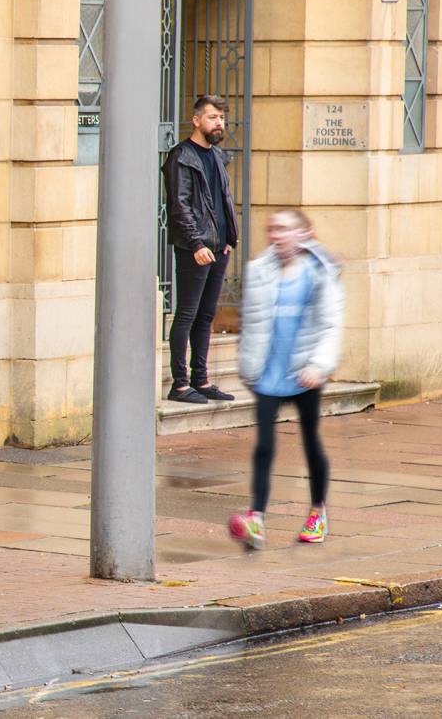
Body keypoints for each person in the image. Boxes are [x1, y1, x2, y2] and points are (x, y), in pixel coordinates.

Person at [228, 209, 343, 549]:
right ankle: (256, 520)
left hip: (305, 371)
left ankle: (317, 511)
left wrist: (319, 365)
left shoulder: (319, 273)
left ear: (303, 233)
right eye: (272, 229)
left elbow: (330, 324)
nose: (277, 235)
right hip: (269, 373)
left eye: (284, 229)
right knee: (264, 446)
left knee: (310, 442)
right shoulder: (258, 271)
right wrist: (249, 367)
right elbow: (252, 323)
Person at [163, 94, 241, 405]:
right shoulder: (181, 157)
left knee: (206, 315)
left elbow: (222, 202)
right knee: (187, 314)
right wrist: (196, 244)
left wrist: (228, 240)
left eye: (221, 118)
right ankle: (180, 385)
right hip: (195, 249)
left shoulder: (218, 157)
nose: (219, 123)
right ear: (196, 120)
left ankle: (201, 379)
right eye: (212, 117)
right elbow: (179, 207)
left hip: (218, 249)